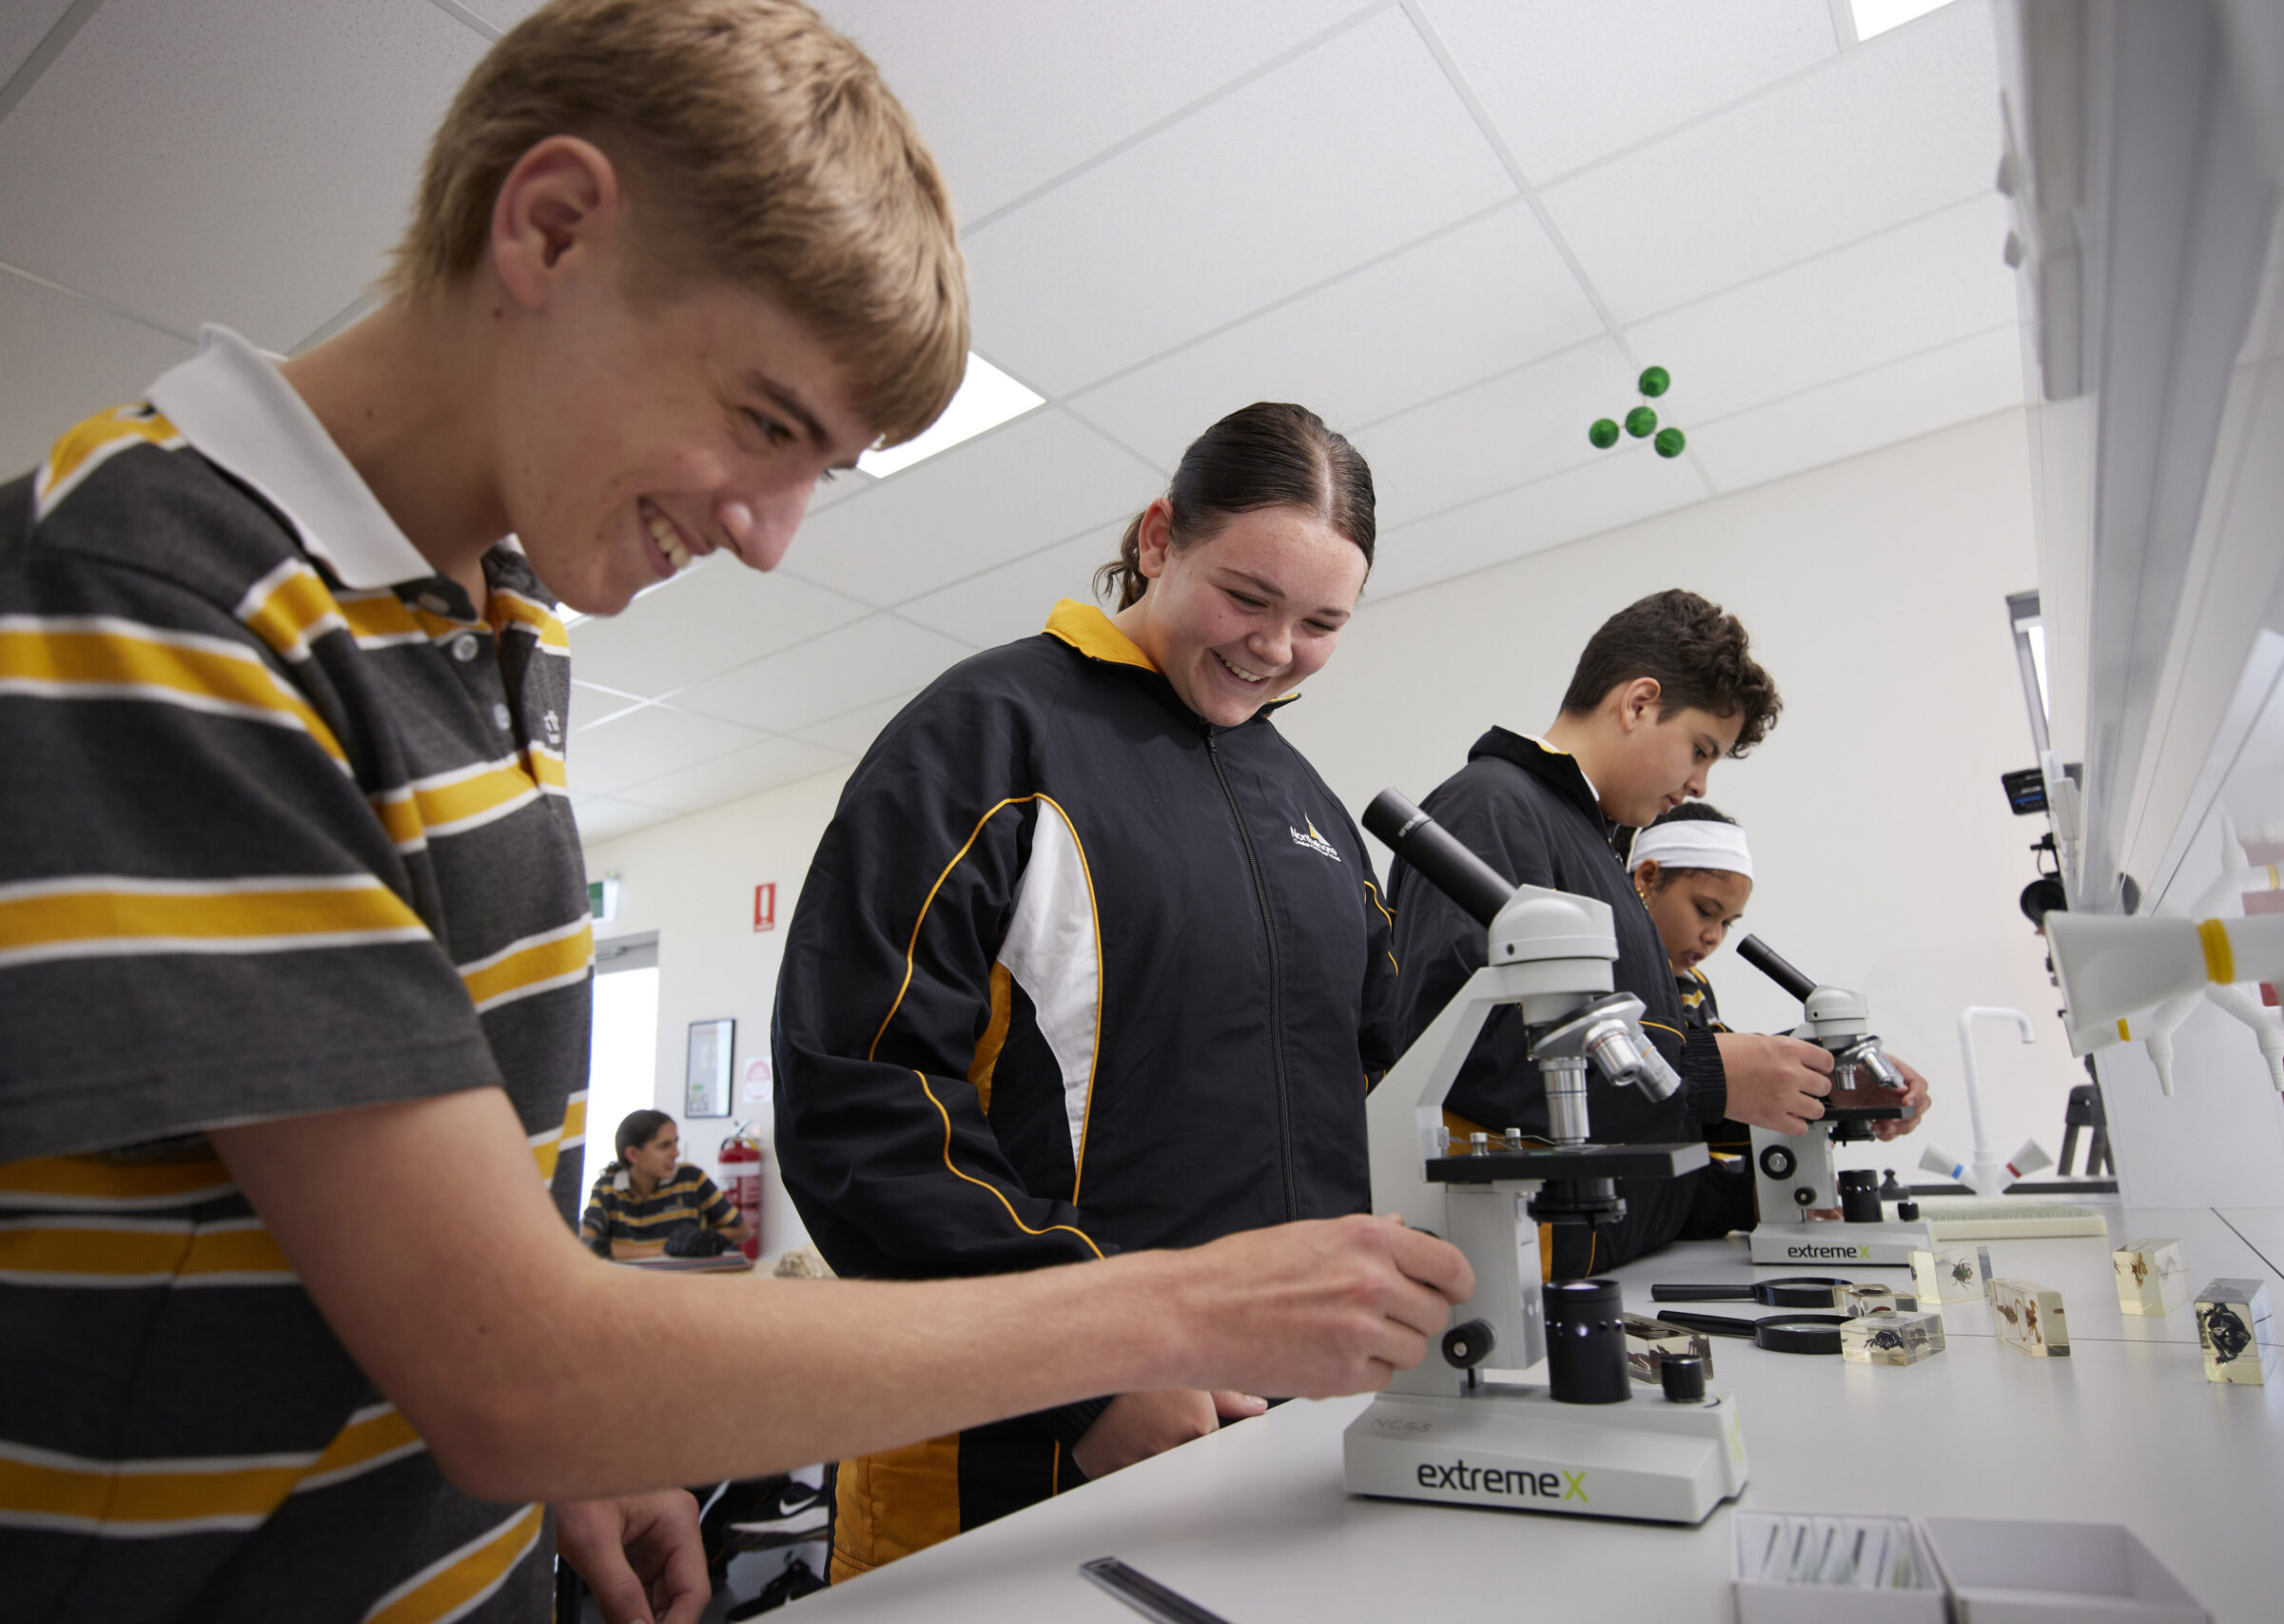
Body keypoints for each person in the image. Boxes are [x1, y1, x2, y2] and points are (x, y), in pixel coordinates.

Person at [0, 8, 1472, 1622]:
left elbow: (430, 1261)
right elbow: (514, 1362)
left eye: (818, 469)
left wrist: (585, 1429)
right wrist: (1166, 1314)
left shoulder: (499, 621)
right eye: (767, 423)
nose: (771, 538)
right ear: (552, 229)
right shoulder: (152, 604)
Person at [772, 401, 1399, 1581]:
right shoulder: (988, 736)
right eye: (1247, 597)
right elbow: (858, 1096)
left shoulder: (1311, 809)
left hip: (1281, 1428)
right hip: (1022, 1435)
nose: (1275, 649)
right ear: (1158, 538)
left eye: (1321, 623)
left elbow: (1367, 1091)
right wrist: (1087, 1368)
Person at [1389, 589, 1872, 1274]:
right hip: (1524, 1274)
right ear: (1639, 703)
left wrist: (1806, 1084)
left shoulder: (1596, 846)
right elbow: (1474, 1060)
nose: (1700, 784)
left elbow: (1631, 1111)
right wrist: (1709, 1074)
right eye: (1701, 749)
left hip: (1619, 1262)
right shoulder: (1491, 807)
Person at [1625, 802, 1931, 1226]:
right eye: (1705, 911)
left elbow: (1708, 1110)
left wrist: (1832, 1085)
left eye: (1728, 922)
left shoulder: (1691, 987)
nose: (1713, 937)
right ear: (1647, 878)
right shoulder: (1613, 982)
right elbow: (1636, 1112)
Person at [582, 1110, 748, 1259]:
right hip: (631, 1280)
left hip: (686, 1279)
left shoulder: (691, 1179)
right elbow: (586, 1244)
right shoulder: (607, 1188)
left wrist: (703, 1238)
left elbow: (743, 1230)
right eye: (664, 1146)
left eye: (675, 1143)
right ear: (633, 1154)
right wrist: (663, 1250)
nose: (676, 1153)